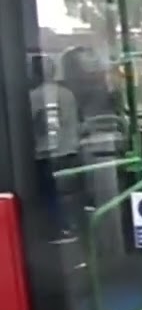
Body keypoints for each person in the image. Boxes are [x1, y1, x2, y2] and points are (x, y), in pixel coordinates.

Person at [29, 53, 83, 241]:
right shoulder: (68, 94)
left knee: (50, 196)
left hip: (45, 155)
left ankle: (58, 229)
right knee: (70, 194)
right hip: (70, 151)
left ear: (35, 74)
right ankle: (73, 226)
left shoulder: (32, 97)